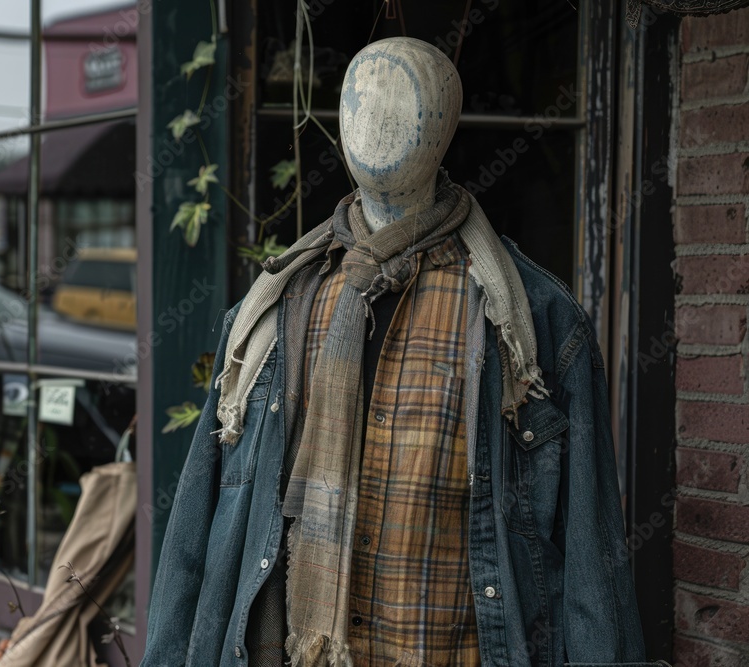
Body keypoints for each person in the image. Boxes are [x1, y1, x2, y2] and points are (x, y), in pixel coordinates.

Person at [143, 37, 660, 667]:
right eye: (362, 101)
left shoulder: (531, 324)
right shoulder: (270, 313)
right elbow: (197, 538)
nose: (377, 122)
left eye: (403, 102)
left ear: (444, 126)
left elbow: (590, 568)